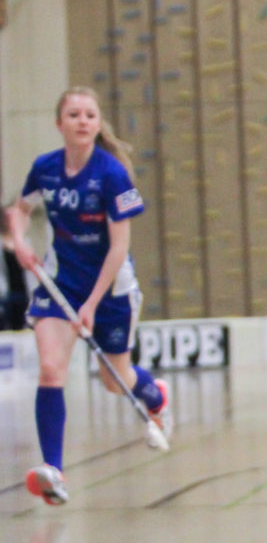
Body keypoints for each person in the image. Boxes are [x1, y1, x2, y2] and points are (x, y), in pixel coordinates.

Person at [5, 86, 173, 506]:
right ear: (59, 122)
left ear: (97, 125)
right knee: (50, 369)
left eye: (90, 115)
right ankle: (55, 472)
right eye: (74, 114)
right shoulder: (44, 168)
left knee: (116, 383)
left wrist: (92, 305)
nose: (82, 121)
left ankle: (155, 395)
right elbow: (18, 210)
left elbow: (119, 249)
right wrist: (21, 242)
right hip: (60, 283)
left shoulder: (113, 174)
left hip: (110, 289)